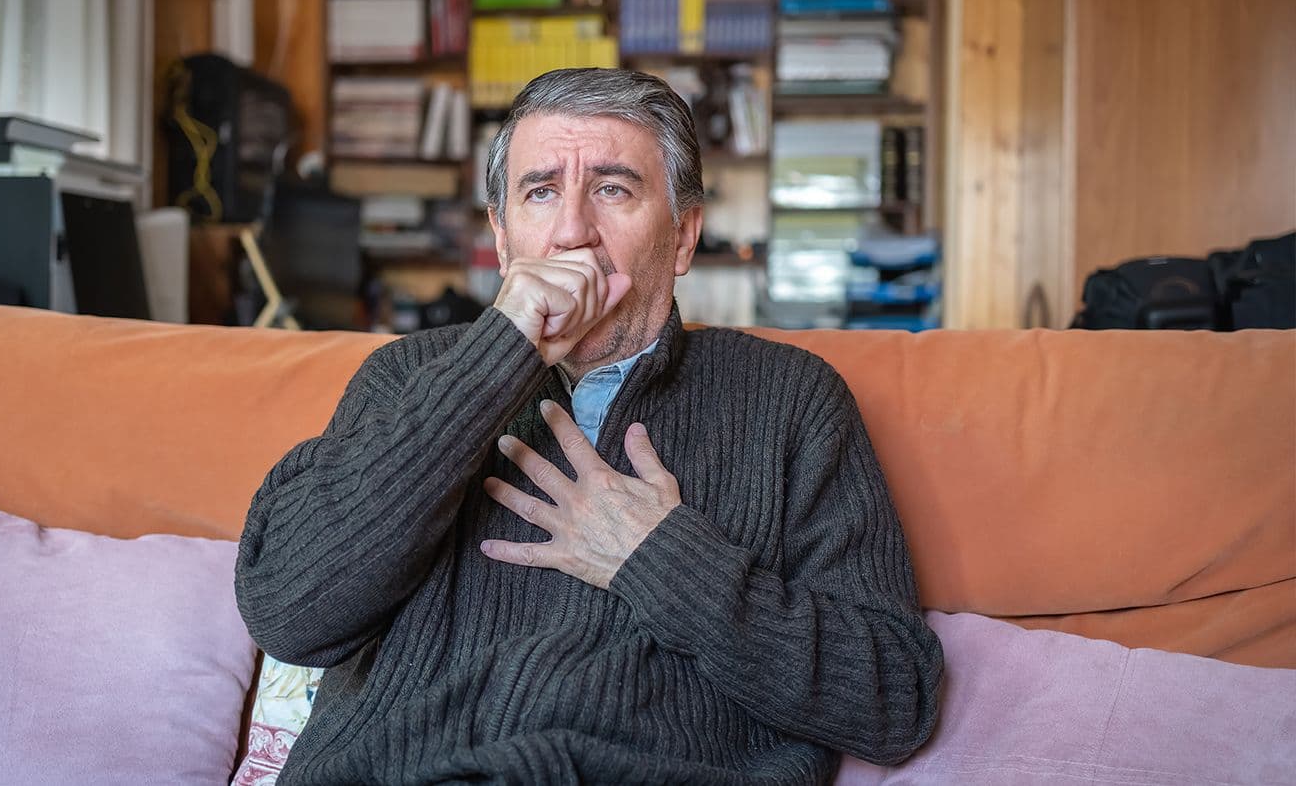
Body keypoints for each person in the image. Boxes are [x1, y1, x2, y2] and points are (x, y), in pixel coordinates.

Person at [235, 67, 942, 785]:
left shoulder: (790, 399)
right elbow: (291, 613)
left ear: (684, 235)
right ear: (504, 239)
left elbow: (892, 699)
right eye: (540, 192)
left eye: (613, 188)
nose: (573, 231)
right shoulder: (407, 377)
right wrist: (491, 362)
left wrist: (662, 559)